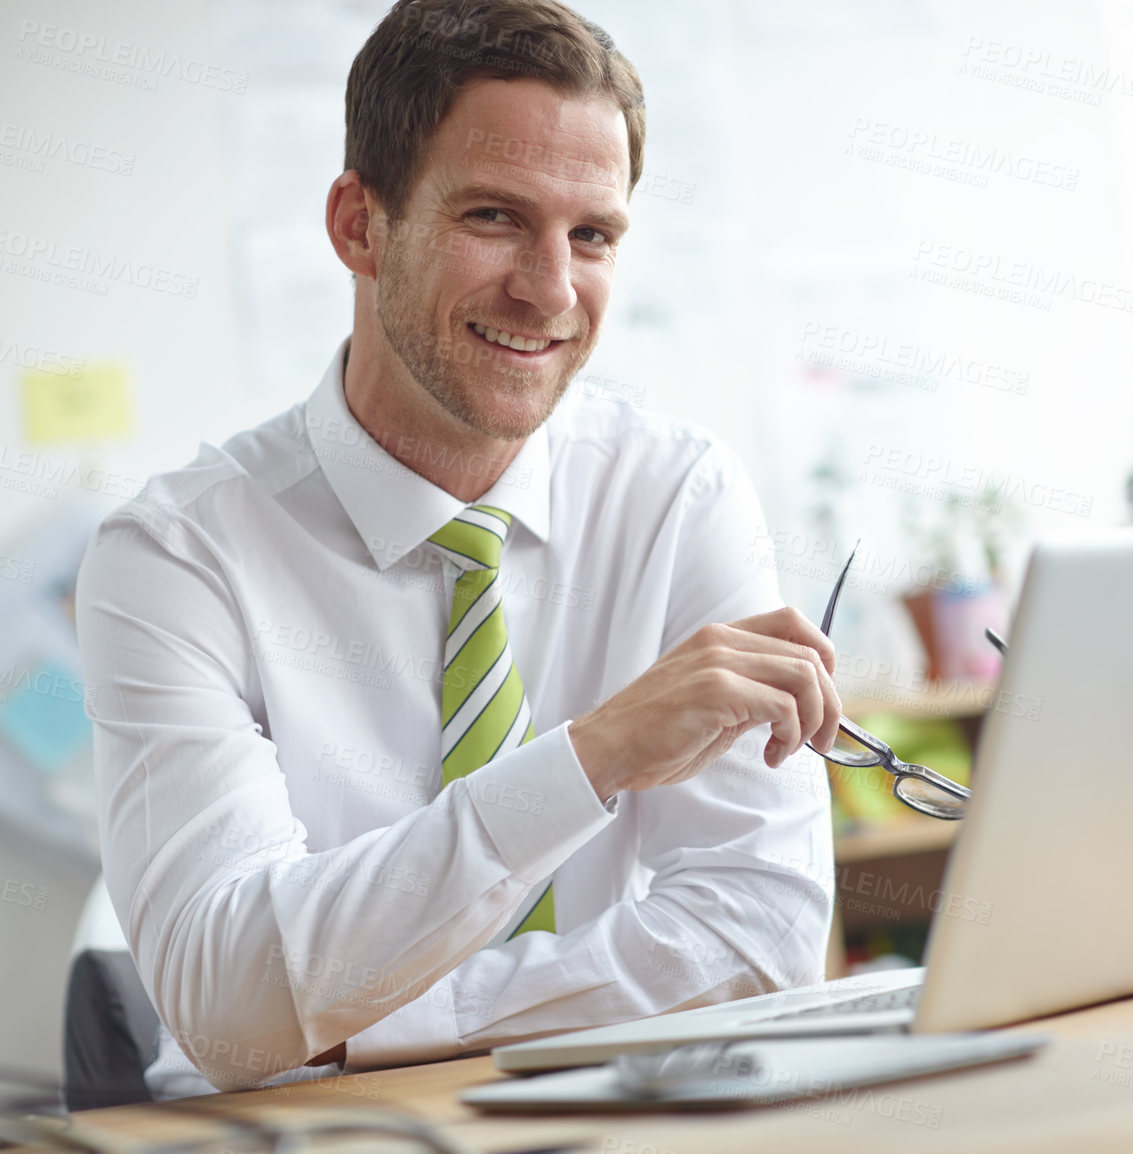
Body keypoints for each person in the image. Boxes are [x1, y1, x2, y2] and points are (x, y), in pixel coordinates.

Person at [74, 0, 841, 1095]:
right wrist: (594, 755)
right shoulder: (175, 557)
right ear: (358, 224)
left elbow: (761, 934)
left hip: (609, 1110)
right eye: (494, 217)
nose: (550, 289)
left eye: (593, 235)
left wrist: (359, 1018)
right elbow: (235, 1013)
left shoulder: (676, 494)